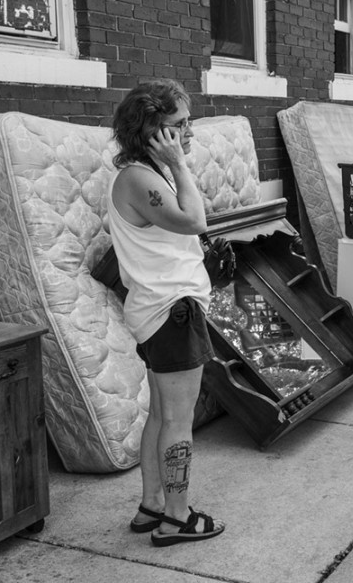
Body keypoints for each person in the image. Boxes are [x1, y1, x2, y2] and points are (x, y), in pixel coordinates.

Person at [107, 79, 225, 546]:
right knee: (178, 420)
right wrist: (178, 162)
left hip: (161, 310)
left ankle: (152, 506)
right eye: (179, 125)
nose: (188, 131)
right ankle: (176, 517)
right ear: (153, 130)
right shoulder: (141, 178)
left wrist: (174, 163)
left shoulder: (144, 175)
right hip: (171, 312)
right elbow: (196, 220)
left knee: (160, 415)